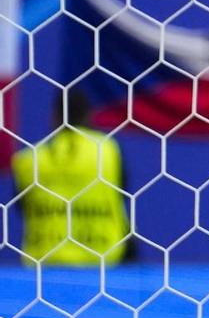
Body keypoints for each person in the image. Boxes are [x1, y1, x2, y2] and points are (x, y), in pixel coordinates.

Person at [12, 89, 128, 266]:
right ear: (89, 115)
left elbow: (21, 206)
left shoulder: (29, 158)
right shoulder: (108, 150)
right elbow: (122, 194)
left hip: (44, 262)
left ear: (54, 116)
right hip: (103, 259)